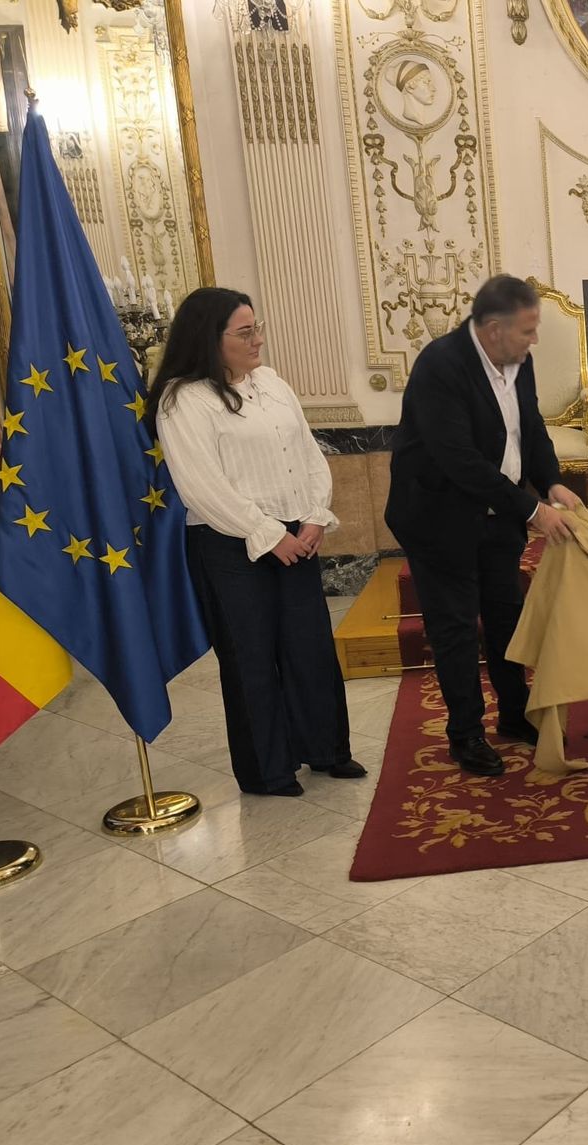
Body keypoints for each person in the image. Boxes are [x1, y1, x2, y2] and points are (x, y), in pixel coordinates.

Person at [151, 288, 362, 797]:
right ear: (210, 338)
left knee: (309, 647)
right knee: (251, 660)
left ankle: (327, 749)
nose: (258, 340)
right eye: (245, 333)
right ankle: (268, 769)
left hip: (296, 534)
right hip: (230, 545)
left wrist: (313, 517)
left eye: (256, 327)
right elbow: (202, 486)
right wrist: (267, 536)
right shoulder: (183, 400)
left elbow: (307, 454)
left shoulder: (269, 382)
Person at [385, 274, 583, 776]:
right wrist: (534, 510)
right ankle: (466, 735)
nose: (534, 341)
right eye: (527, 331)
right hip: (438, 519)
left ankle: (515, 717)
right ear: (494, 329)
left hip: (496, 519)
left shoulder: (520, 362)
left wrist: (552, 482)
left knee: (506, 620)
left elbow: (531, 428)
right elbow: (461, 461)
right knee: (454, 629)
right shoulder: (441, 366)